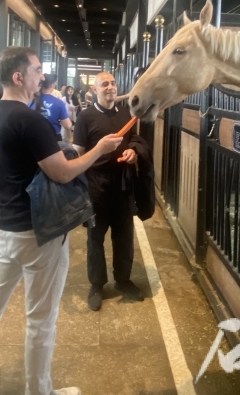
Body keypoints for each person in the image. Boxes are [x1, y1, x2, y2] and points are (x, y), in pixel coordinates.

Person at [0, 47, 122, 395]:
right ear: (19, 77)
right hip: (40, 232)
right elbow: (61, 174)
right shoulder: (30, 119)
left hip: (7, 229)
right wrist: (98, 150)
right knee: (40, 320)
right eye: (36, 70)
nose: (41, 76)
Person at [73, 72, 150, 312]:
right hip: (96, 188)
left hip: (123, 187)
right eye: (104, 84)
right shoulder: (85, 117)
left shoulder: (127, 114)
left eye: (113, 83)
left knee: (124, 236)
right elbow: (78, 154)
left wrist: (134, 152)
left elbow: (136, 139)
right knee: (95, 239)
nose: (110, 87)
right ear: (94, 90)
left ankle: (123, 280)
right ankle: (97, 284)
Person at [29, 74, 71, 140]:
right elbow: (67, 125)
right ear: (51, 85)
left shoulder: (30, 101)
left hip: (32, 138)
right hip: (52, 139)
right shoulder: (58, 103)